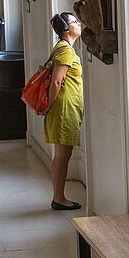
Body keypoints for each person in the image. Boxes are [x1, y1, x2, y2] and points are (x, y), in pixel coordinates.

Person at [44, 12, 84, 211]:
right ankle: (59, 197)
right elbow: (57, 81)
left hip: (65, 107)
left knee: (60, 155)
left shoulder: (62, 47)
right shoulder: (66, 50)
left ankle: (58, 196)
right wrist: (49, 105)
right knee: (63, 156)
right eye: (74, 22)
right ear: (66, 29)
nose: (79, 24)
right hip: (63, 108)